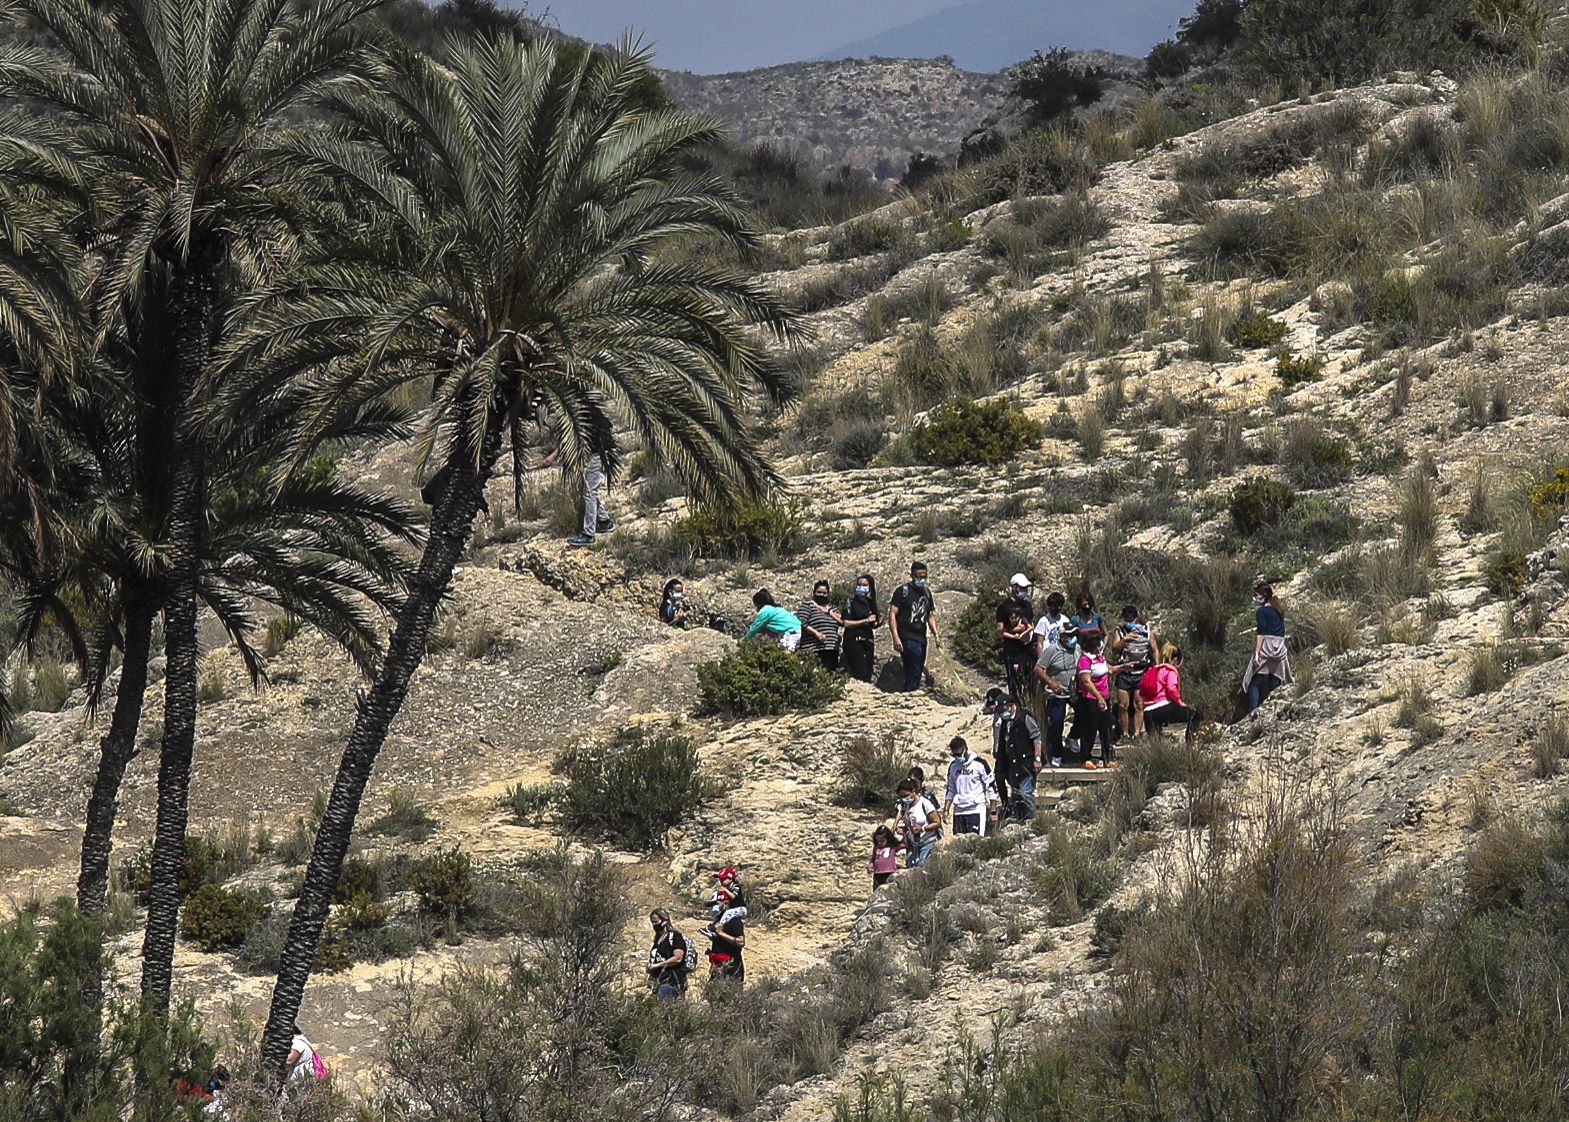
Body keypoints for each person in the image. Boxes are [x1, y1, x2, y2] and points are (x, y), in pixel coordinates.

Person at [1072, 633, 1127, 770]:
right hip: (1090, 699)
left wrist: (1122, 668)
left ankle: (1107, 757)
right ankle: (1086, 757)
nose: (1100, 646)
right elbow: (1086, 681)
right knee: (1090, 728)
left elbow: (1108, 670)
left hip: (1105, 697)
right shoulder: (1085, 660)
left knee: (1106, 728)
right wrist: (1099, 697)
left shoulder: (1100, 658)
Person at [1033, 623, 1080, 767]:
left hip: (1073, 690)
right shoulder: (1052, 650)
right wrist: (1051, 683)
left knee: (1084, 713)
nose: (1073, 638)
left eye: (1074, 634)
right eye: (1070, 635)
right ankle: (1057, 754)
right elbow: (1039, 669)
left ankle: (1073, 736)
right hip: (1056, 692)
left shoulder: (1077, 649)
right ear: (1063, 636)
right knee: (1057, 722)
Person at [889, 561, 939, 692]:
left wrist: (936, 635)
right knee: (915, 667)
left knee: (916, 668)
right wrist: (895, 637)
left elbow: (930, 616)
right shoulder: (902, 591)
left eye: (924, 576)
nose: (921, 579)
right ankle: (910, 694)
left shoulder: (927, 593)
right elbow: (893, 614)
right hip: (907, 636)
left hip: (921, 637)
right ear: (912, 575)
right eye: (918, 576)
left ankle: (909, 692)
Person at [1244, 582, 1293, 711]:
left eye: (1256, 595)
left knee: (1254, 681)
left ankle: (1252, 712)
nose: (1254, 598)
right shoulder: (1279, 610)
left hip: (1266, 648)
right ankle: (1275, 708)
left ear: (1264, 595)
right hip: (1279, 649)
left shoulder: (1261, 612)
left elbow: (1261, 633)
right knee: (1275, 680)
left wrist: (1256, 654)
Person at [1111, 605, 1158, 740]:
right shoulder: (1120, 631)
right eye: (1127, 617)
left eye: (1132, 617)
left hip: (1141, 671)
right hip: (1125, 672)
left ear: (1136, 617)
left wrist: (1156, 666)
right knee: (1123, 705)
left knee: (1139, 704)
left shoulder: (1147, 631)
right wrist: (1125, 640)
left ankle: (1137, 733)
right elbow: (1114, 649)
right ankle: (1125, 733)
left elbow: (1154, 648)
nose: (1129, 620)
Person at [1142, 644, 1203, 742]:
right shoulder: (1170, 671)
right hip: (1163, 707)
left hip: (1148, 712)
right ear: (1175, 660)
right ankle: (1190, 746)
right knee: (1196, 716)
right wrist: (1179, 702)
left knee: (1155, 744)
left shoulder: (1152, 671)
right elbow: (1171, 688)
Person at [996, 695, 1042, 824]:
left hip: (1026, 765)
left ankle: (1031, 822)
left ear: (1011, 706)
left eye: (1004, 708)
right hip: (1013, 766)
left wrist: (1037, 758)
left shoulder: (1025, 717)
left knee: (1026, 794)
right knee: (1016, 796)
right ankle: (1020, 822)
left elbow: (1036, 738)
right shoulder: (1006, 723)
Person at [944, 736, 998, 836]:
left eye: (959, 754)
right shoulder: (953, 767)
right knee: (959, 846)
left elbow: (991, 787)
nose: (957, 757)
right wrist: (946, 809)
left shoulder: (979, 764)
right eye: (954, 755)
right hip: (959, 812)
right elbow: (951, 789)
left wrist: (993, 811)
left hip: (976, 810)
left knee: (976, 843)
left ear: (965, 749)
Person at [995, 574, 1037, 702]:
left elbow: (1031, 623)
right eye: (1022, 588)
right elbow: (1000, 630)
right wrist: (1015, 634)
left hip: (1027, 648)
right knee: (1015, 682)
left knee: (1031, 679)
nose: (1024, 591)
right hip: (1012, 650)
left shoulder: (1027, 606)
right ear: (1014, 587)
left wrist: (1027, 632)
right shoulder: (1004, 607)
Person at [841, 574, 881, 682]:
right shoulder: (851, 602)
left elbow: (874, 622)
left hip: (868, 639)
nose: (861, 587)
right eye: (859, 584)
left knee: (868, 671)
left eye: (864, 585)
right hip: (853, 638)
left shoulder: (870, 603)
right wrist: (865, 621)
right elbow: (846, 623)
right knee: (860, 670)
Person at [896, 777, 943, 867]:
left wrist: (922, 828)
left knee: (922, 867)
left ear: (913, 791)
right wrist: (903, 830)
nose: (904, 798)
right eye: (902, 797)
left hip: (927, 843)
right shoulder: (905, 806)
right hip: (913, 845)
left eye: (906, 795)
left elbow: (937, 822)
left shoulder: (925, 804)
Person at [796, 579, 843, 670]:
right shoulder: (808, 605)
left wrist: (829, 612)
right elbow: (801, 622)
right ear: (814, 592)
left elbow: (842, 622)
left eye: (824, 593)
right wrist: (816, 633)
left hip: (832, 649)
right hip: (813, 649)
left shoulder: (832, 608)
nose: (821, 595)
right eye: (819, 592)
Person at [646, 908, 690, 998]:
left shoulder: (675, 937)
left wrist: (658, 965)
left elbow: (678, 958)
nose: (654, 925)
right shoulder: (658, 940)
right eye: (652, 922)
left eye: (656, 921)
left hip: (671, 981)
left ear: (664, 921)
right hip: (659, 981)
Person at [706, 904, 746, 988]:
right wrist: (713, 965)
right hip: (718, 965)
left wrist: (721, 934)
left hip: (731, 965)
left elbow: (741, 942)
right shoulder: (719, 921)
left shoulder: (734, 920)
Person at [1032, 591, 1071, 657]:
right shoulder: (1043, 621)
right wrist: (1041, 660)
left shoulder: (1065, 620)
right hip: (1048, 655)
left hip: (1061, 655)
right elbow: (1039, 643)